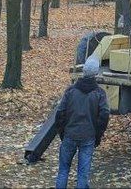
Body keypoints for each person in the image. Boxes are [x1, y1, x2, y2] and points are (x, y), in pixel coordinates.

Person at [54, 56, 109, 189]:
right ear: (96, 73)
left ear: (83, 71)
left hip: (69, 135)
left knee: (63, 171)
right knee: (83, 174)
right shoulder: (100, 93)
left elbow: (59, 113)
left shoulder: (70, 91)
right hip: (88, 137)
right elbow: (104, 115)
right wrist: (97, 135)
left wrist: (62, 132)